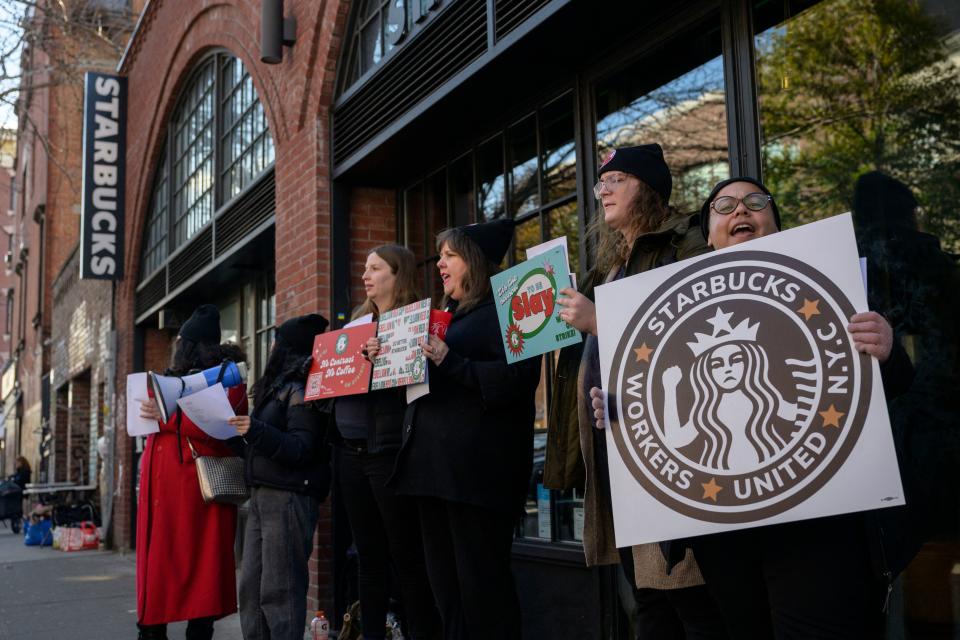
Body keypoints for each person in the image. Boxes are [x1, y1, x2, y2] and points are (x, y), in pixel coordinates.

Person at [589, 176, 915, 639]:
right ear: (709, 232)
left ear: (775, 223)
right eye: (723, 205)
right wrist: (621, 411)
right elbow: (669, 431)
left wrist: (887, 350)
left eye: (755, 202)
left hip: (816, 526)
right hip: (723, 538)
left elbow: (896, 385)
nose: (740, 210)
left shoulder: (828, 282)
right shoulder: (670, 311)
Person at [552, 144, 726, 639]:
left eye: (618, 179)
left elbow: (694, 337)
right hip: (621, 452)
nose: (602, 189)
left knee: (689, 599)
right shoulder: (610, 265)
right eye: (600, 181)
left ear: (648, 189)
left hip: (677, 454)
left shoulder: (687, 244)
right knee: (648, 598)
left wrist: (598, 320)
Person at [392, 218, 541, 639]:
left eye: (450, 255)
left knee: (482, 592)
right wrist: (388, 357)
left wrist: (450, 361)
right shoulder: (448, 315)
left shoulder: (511, 307)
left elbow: (517, 380)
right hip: (432, 473)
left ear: (474, 261)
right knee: (448, 594)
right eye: (440, 255)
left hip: (476, 479)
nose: (440, 264)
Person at [333, 245, 439, 640]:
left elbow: (420, 393)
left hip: (389, 453)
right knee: (368, 556)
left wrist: (387, 357)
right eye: (365, 268)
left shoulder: (415, 322)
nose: (365, 275)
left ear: (398, 274)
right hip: (350, 452)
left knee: (406, 556)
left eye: (375, 268)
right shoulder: (356, 324)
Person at [136, 304, 249, 640]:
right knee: (161, 576)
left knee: (198, 579)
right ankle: (153, 628)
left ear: (187, 345)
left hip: (196, 493)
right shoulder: (170, 381)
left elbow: (220, 427)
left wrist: (164, 417)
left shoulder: (228, 379)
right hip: (168, 493)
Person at [227, 313, 331, 640]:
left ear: (288, 348)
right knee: (251, 591)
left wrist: (255, 430)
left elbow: (301, 448)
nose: (271, 347)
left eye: (277, 342)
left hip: (287, 498)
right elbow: (262, 444)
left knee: (279, 591)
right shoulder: (278, 388)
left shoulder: (301, 389)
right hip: (262, 496)